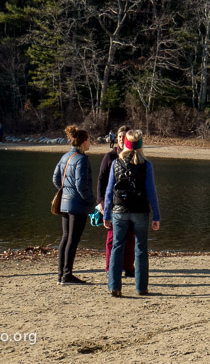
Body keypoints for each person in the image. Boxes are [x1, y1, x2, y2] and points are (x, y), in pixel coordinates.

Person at [103, 129, 161, 297]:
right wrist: (156, 216)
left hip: (120, 211)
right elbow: (152, 192)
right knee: (141, 248)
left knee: (117, 247)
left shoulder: (116, 163)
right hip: (141, 211)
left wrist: (106, 214)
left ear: (126, 144)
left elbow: (109, 192)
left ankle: (114, 287)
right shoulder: (146, 165)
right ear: (141, 144)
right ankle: (141, 287)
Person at [52, 125, 96, 285]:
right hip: (77, 206)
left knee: (65, 238)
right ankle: (67, 274)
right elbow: (81, 186)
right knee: (73, 239)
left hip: (65, 204)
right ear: (83, 142)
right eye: (89, 140)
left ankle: (61, 274)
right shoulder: (82, 159)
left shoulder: (65, 157)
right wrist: (93, 201)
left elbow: (56, 179)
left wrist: (66, 193)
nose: (90, 142)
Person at [97, 125, 135, 276]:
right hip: (113, 203)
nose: (121, 139)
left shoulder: (134, 156)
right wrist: (100, 201)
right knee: (113, 237)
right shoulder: (110, 156)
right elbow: (101, 179)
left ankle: (129, 267)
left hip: (131, 203)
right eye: (119, 137)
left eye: (124, 137)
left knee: (130, 237)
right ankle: (110, 268)